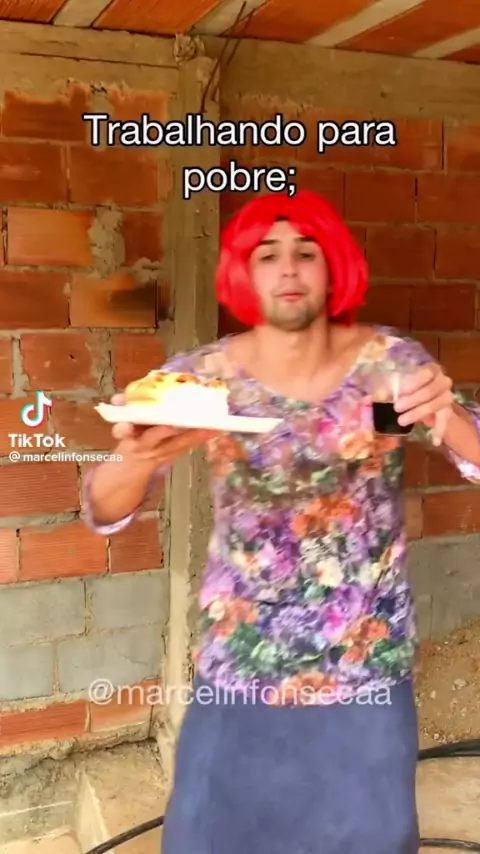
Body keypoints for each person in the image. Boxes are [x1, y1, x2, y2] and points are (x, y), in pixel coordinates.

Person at [82, 190, 480, 854]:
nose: (288, 268)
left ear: (334, 266)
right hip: (240, 666)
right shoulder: (204, 379)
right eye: (267, 255)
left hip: (364, 671)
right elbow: (101, 507)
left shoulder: (389, 364)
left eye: (306, 252)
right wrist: (136, 457)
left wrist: (448, 417)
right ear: (245, 271)